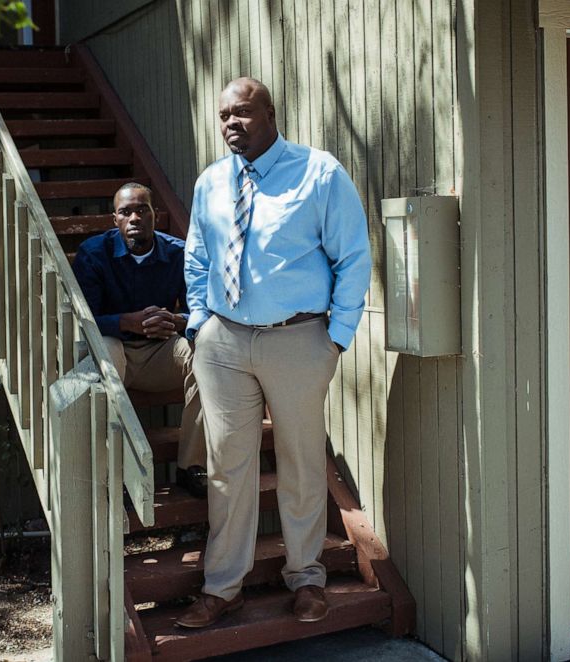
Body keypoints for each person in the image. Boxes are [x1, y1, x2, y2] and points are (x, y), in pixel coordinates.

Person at [176, 78, 371, 627]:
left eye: (241, 113)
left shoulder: (319, 173)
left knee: (302, 464)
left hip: (298, 340)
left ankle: (307, 578)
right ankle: (222, 587)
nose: (230, 124)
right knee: (227, 467)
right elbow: (196, 256)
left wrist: (336, 338)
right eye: (223, 116)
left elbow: (353, 258)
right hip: (223, 342)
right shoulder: (211, 181)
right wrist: (198, 324)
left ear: (270, 114)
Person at [72, 182, 207, 497]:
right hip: (115, 348)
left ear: (155, 215)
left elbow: (199, 311)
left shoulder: (178, 253)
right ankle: (113, 475)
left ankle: (191, 467)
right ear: (114, 219)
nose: (134, 218)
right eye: (125, 212)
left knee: (205, 356)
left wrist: (175, 321)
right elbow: (84, 321)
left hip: (159, 352)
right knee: (103, 351)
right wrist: (127, 322)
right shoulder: (94, 254)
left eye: (141, 210)